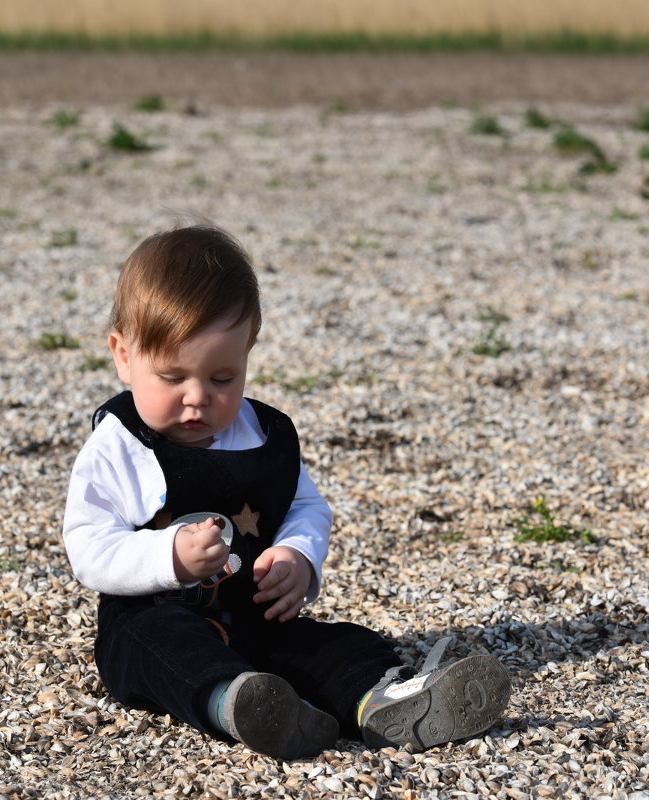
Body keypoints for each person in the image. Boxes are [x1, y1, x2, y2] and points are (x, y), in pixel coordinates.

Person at [62, 225, 511, 759]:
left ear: (249, 352)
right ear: (123, 355)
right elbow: (88, 548)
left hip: (258, 618)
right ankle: (236, 703)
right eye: (172, 376)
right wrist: (168, 556)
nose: (197, 398)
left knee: (341, 644)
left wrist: (298, 555)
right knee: (161, 648)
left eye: (223, 378)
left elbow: (305, 505)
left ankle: (382, 701)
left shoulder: (264, 437)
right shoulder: (118, 447)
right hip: (154, 614)